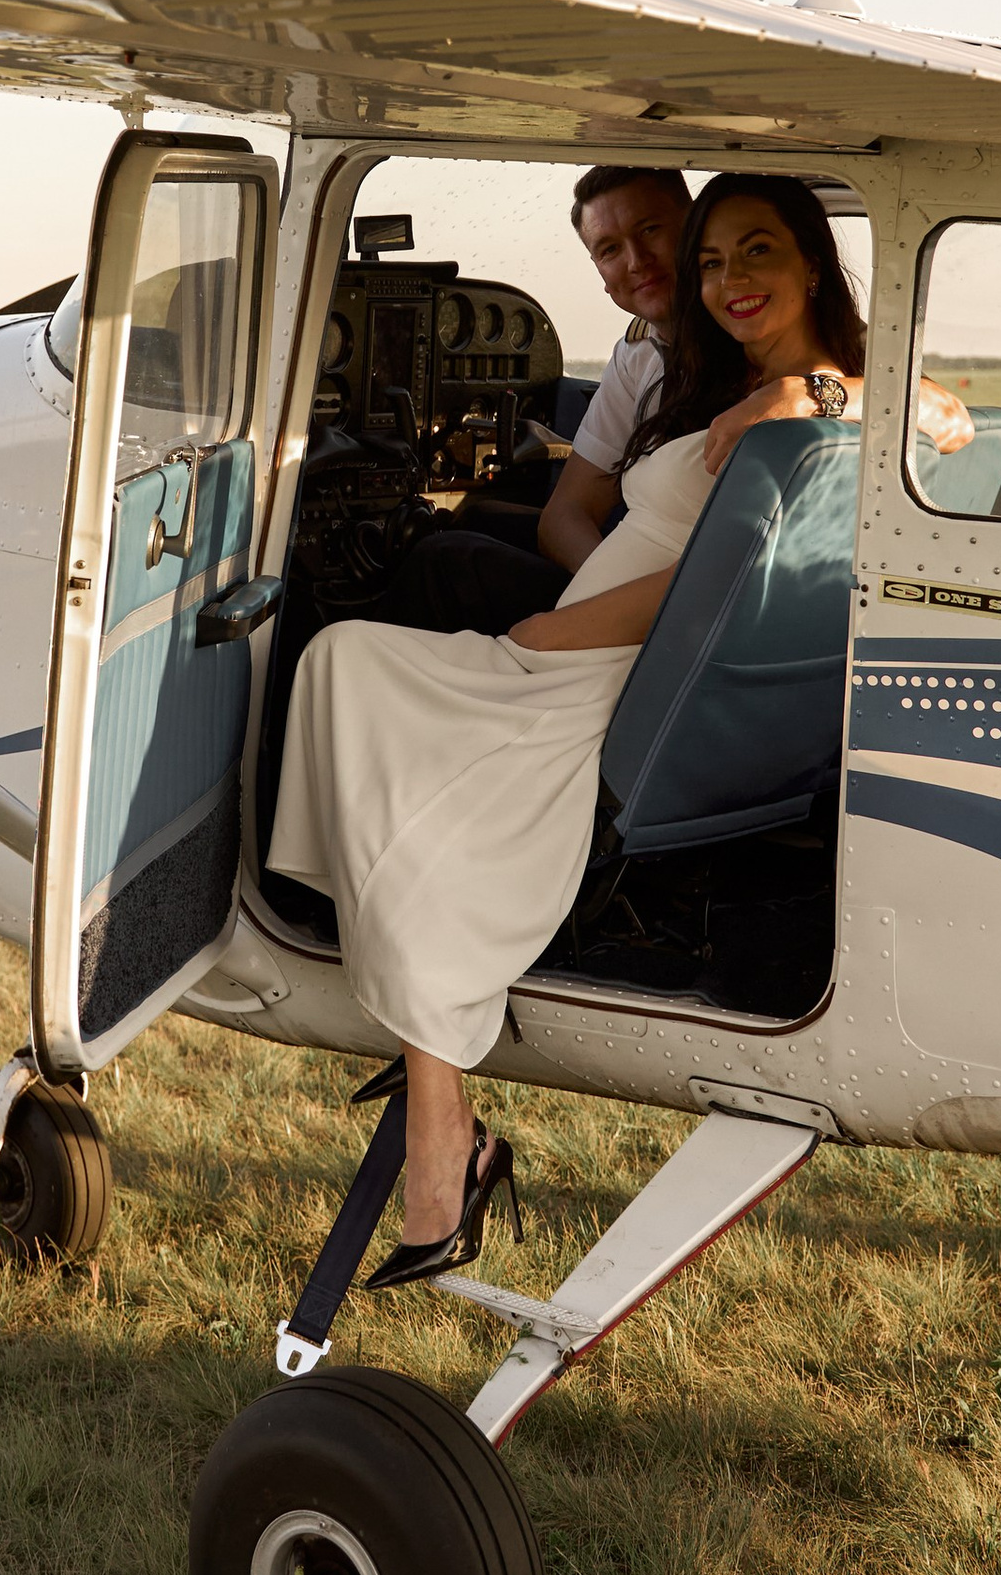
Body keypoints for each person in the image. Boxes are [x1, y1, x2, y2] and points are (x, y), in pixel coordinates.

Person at [270, 170, 875, 1289]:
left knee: (336, 658)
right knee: (352, 672)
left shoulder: (804, 402)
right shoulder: (787, 393)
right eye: (713, 263)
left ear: (810, 263)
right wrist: (798, 396)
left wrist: (552, 635)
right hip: (622, 658)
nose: (726, 281)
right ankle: (439, 1102)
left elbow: (706, 584)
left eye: (755, 254)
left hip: (601, 669)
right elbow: (913, 406)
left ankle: (441, 1123)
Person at [372, 165, 693, 637]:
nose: (636, 260)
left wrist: (617, 604)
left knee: (446, 562)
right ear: (601, 274)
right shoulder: (639, 352)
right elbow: (565, 515)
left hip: (683, 597)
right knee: (472, 516)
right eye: (609, 249)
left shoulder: (750, 349)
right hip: (635, 572)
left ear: (695, 226)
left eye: (650, 230)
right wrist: (610, 587)